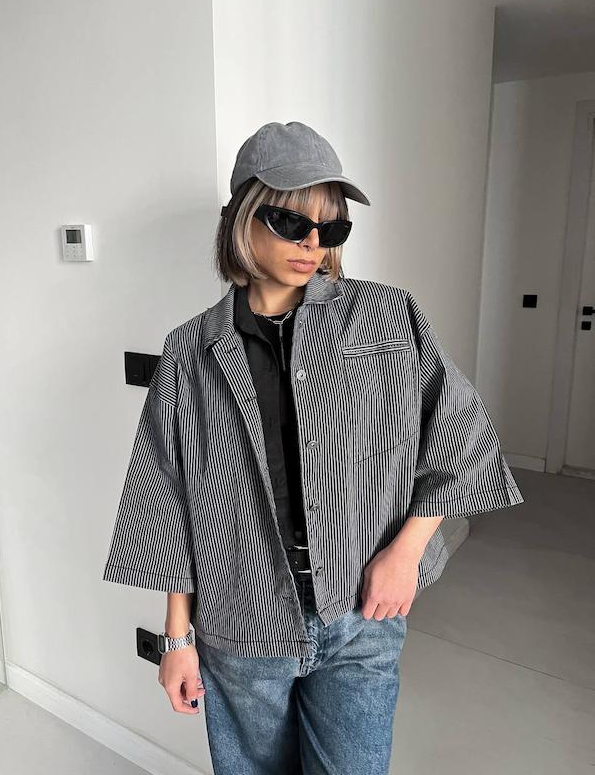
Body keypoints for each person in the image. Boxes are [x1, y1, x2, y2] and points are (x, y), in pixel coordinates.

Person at [103, 121, 524, 774]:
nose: (312, 243)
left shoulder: (385, 318)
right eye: (291, 221)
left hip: (361, 614)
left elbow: (460, 431)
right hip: (239, 621)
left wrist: (407, 551)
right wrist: (176, 640)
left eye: (332, 228)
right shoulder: (190, 351)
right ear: (242, 219)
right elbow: (166, 501)